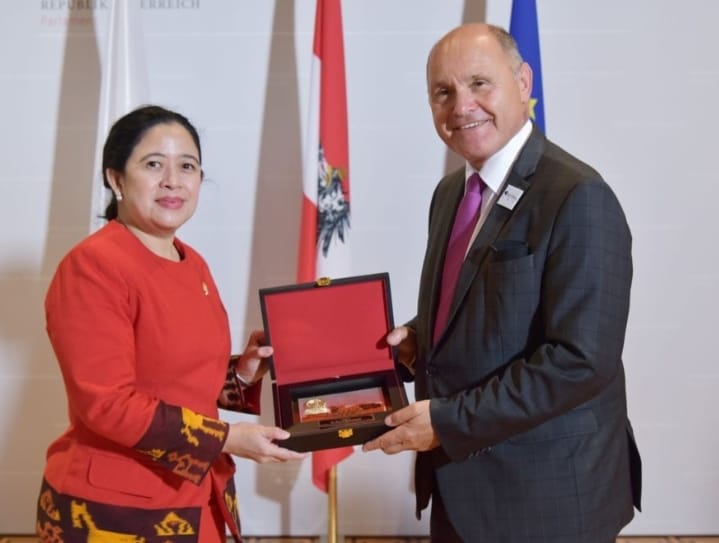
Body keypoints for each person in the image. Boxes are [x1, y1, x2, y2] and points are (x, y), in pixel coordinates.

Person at [363, 23, 642, 542]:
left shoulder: (578, 195)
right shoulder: (451, 192)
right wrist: (421, 336)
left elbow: (581, 360)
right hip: (461, 487)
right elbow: (485, 300)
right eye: (443, 92)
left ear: (523, 82)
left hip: (547, 497)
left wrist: (449, 422)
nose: (460, 106)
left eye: (479, 83)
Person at [35, 105, 306, 543]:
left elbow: (175, 382)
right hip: (116, 512)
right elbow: (107, 403)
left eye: (187, 166)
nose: (173, 181)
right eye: (153, 164)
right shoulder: (92, 266)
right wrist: (225, 438)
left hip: (199, 495)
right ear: (116, 179)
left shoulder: (191, 261)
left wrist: (241, 372)